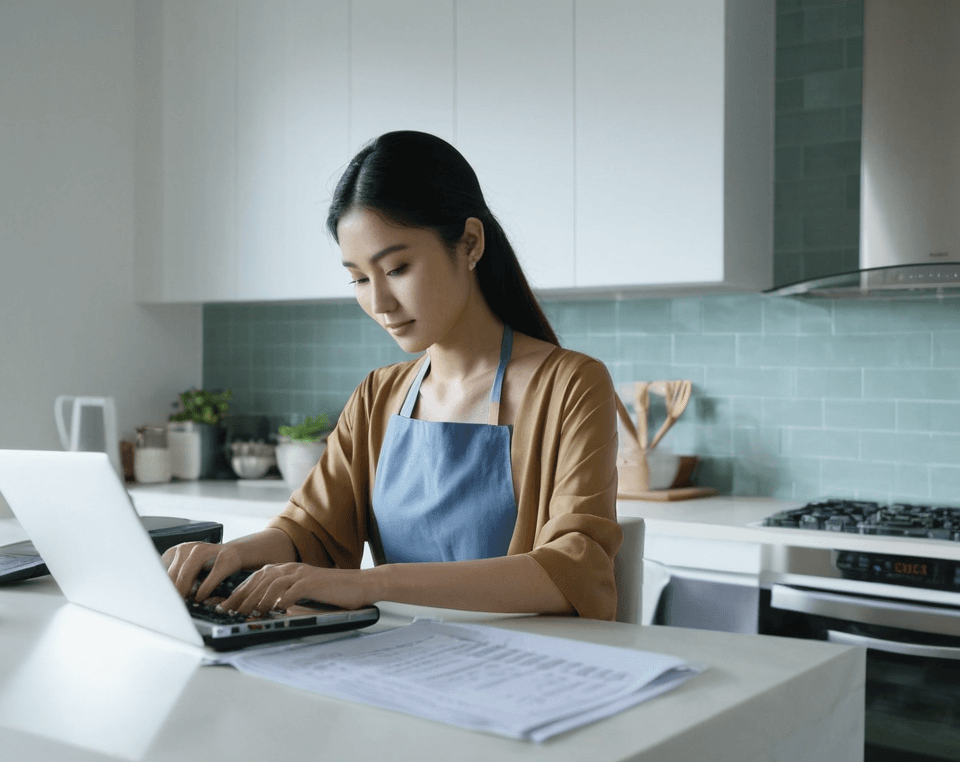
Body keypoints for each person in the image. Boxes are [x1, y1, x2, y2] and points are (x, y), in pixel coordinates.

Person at [164, 131, 622, 620]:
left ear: (469, 243)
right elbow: (311, 531)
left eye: (397, 268)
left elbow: (573, 569)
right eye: (359, 278)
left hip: (521, 669)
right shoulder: (378, 396)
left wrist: (373, 584)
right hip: (402, 660)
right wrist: (234, 553)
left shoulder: (572, 386)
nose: (379, 303)